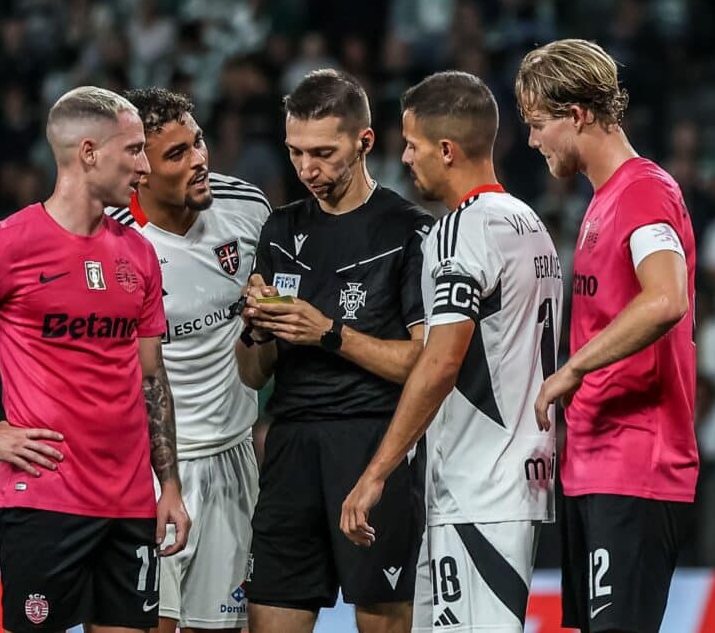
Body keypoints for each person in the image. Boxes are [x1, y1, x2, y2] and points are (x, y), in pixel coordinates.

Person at [0, 86, 191, 633]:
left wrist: (166, 485)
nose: (145, 167)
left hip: (129, 505)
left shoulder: (139, 253)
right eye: (133, 151)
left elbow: (151, 378)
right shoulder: (7, 244)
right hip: (45, 500)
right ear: (88, 153)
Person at [341, 71, 562, 633]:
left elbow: (439, 362)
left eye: (412, 145)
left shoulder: (458, 231)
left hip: (478, 485)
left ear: (446, 149)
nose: (406, 158)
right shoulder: (530, 223)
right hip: (518, 474)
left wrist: (376, 473)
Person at [237, 68, 432, 633]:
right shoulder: (280, 229)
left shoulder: (407, 231)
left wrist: (329, 333)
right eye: (296, 153)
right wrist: (258, 329)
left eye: (323, 152)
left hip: (372, 444)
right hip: (290, 447)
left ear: (364, 142)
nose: (307, 169)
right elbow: (252, 375)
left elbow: (422, 363)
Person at [517, 39, 697, 633]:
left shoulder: (644, 192)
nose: (532, 140)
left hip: (636, 462)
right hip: (594, 462)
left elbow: (666, 298)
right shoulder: (604, 200)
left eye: (539, 123)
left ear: (577, 115)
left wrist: (571, 369)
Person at [107, 87, 271, 633]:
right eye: (176, 154)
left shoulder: (247, 208)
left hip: (231, 460)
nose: (200, 160)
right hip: (144, 471)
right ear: (140, 168)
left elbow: (265, 339)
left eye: (198, 143)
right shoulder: (108, 244)